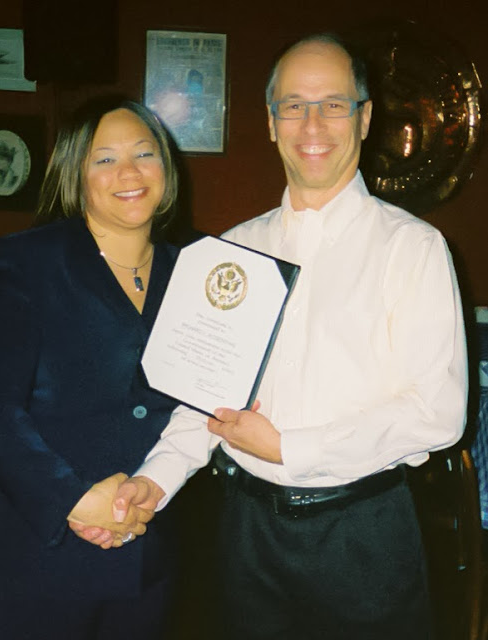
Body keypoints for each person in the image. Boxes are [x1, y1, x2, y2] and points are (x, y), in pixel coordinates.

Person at [96, 33, 467, 639]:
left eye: (333, 104)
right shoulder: (231, 251)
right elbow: (201, 401)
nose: (312, 124)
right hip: (245, 535)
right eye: (293, 105)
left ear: (364, 118)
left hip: (364, 539)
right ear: (271, 123)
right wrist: (152, 482)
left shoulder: (413, 248)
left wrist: (290, 448)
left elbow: (437, 413)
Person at [0, 96, 182, 640]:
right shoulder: (25, 261)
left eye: (144, 153)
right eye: (105, 159)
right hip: (31, 557)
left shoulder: (193, 271)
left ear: (166, 165)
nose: (129, 172)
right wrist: (75, 500)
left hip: (144, 552)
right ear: (75, 173)